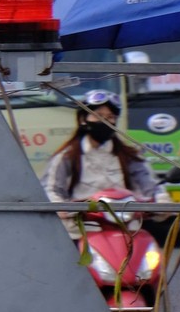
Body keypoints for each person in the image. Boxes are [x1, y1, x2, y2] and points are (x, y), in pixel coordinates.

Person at [41, 91, 159, 231]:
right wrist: (61, 209)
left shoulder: (130, 156)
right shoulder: (66, 157)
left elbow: (149, 185)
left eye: (110, 117)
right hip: (83, 231)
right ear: (83, 119)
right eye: (99, 116)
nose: (105, 121)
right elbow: (50, 190)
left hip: (127, 231)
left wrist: (161, 199)